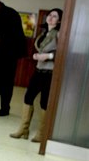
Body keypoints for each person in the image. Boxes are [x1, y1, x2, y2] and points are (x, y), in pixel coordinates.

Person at [10, 8, 62, 142]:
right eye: (50, 15)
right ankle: (24, 129)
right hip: (38, 71)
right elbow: (40, 48)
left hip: (50, 73)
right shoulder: (44, 33)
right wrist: (37, 55)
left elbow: (63, 51)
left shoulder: (59, 34)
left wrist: (48, 56)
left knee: (44, 102)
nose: (51, 18)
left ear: (59, 20)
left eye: (54, 16)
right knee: (28, 98)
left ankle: (41, 133)